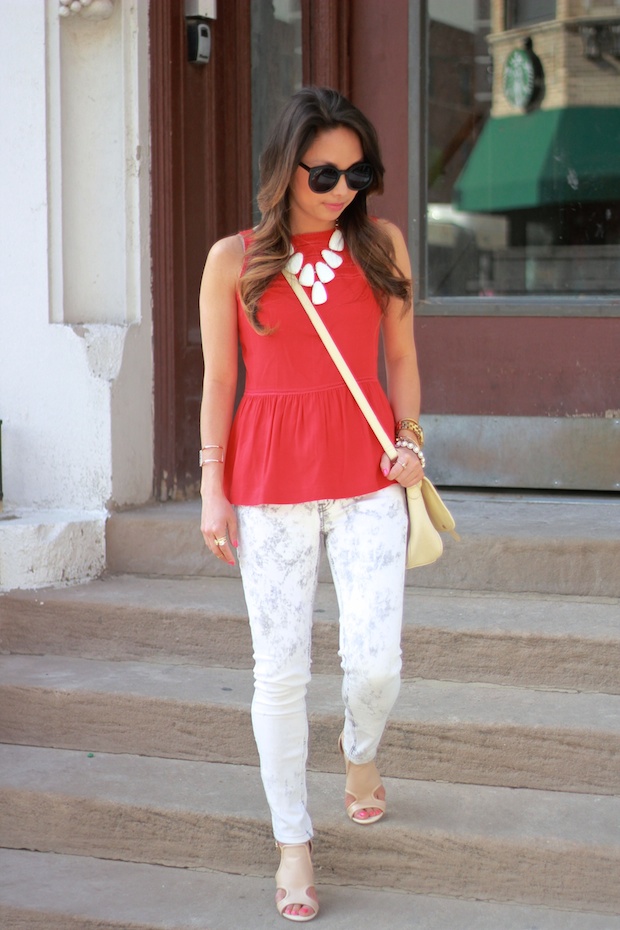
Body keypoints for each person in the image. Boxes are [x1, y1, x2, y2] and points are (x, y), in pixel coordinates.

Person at [198, 86, 424, 922]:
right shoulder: (235, 259)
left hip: (368, 480)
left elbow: (401, 356)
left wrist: (413, 442)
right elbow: (222, 381)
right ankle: (293, 844)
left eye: (356, 172)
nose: (341, 188)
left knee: (376, 667)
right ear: (286, 167)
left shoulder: (381, 244)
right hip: (269, 487)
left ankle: (358, 753)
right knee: (280, 675)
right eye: (323, 172)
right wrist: (212, 488)